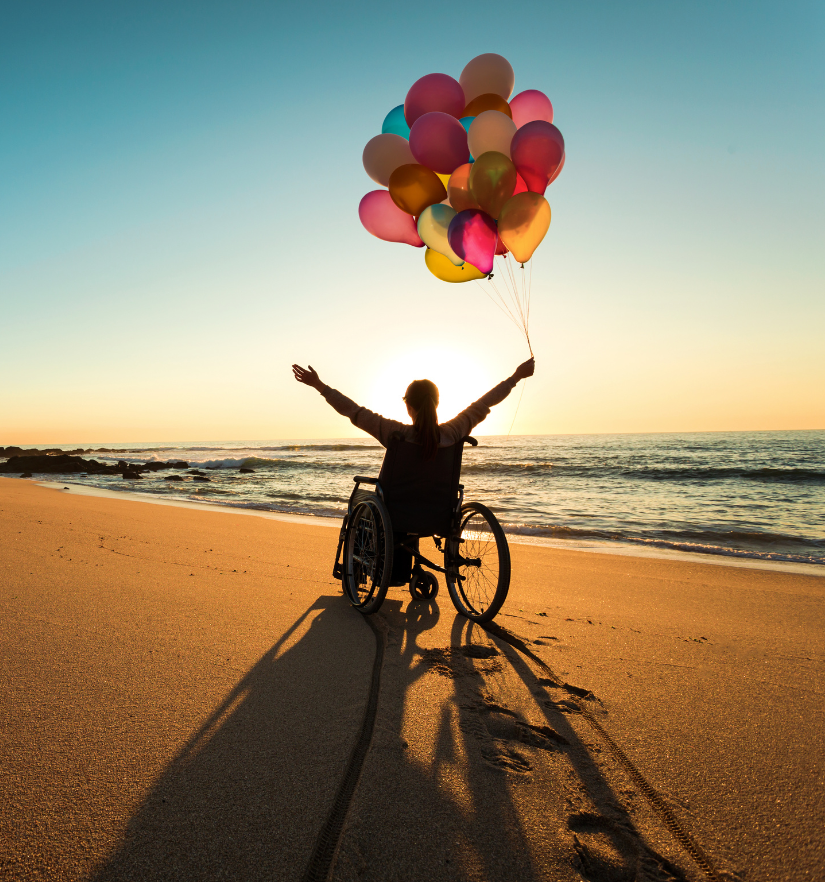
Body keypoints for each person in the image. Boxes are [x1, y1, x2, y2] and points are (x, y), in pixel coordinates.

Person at [291, 357, 535, 457]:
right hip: (438, 511)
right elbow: (485, 402)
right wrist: (516, 377)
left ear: (408, 406)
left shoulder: (396, 434)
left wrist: (319, 386)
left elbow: (353, 411)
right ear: (437, 403)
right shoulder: (453, 433)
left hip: (398, 512)